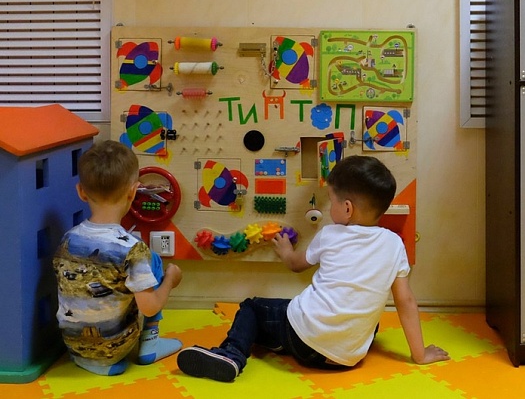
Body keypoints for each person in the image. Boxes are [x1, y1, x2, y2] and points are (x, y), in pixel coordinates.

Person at [177, 155, 448, 382]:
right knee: (370, 319)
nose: (329, 208)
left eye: (331, 200)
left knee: (252, 308)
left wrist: (286, 250)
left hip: (302, 341)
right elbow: (405, 301)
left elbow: (296, 266)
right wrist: (420, 354)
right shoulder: (394, 244)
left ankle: (231, 355)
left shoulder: (330, 234)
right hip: (349, 356)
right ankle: (276, 340)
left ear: (347, 208)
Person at [52, 140, 183, 375]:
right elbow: (150, 308)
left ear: (81, 192)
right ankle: (150, 343)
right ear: (134, 191)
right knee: (152, 260)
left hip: (74, 345)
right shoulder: (133, 249)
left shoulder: (68, 239)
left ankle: (91, 361)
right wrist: (170, 280)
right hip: (115, 347)